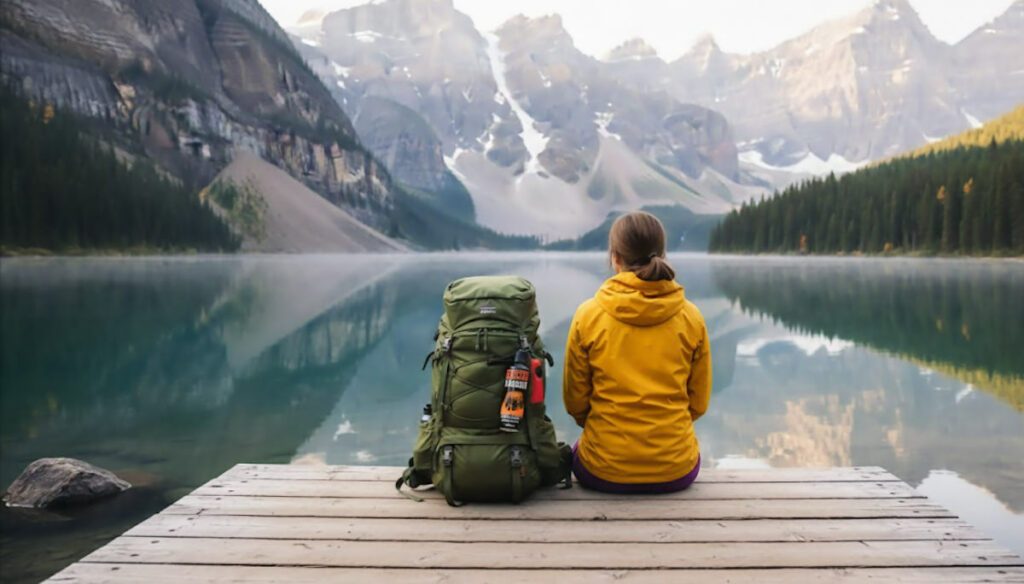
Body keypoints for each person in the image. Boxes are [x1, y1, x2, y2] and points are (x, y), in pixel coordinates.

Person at [562, 211, 712, 493]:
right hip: (675, 469)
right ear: (662, 254)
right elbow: (698, 403)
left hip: (602, 470)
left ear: (615, 258)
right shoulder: (691, 317)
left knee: (578, 451)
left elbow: (575, 403)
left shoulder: (588, 315)